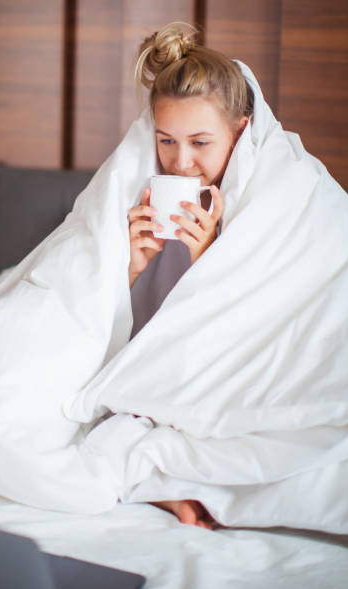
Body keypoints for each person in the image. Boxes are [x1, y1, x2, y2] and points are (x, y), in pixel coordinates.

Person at [127, 22, 254, 528]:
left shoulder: (272, 206)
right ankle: (159, 485)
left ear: (240, 130)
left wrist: (210, 264)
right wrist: (130, 269)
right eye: (166, 141)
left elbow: (263, 336)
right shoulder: (137, 191)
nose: (181, 163)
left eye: (201, 142)